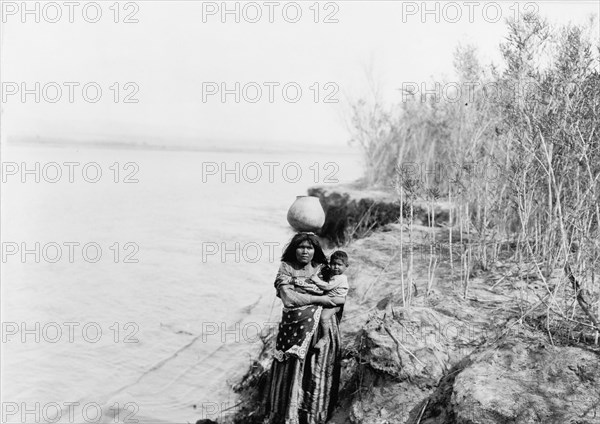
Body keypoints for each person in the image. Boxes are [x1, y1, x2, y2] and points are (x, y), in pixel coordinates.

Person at [264, 232, 346, 424]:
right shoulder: (286, 268)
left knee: (316, 371)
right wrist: (319, 298)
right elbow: (288, 298)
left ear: (315, 250)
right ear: (294, 249)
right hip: (294, 332)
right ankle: (289, 416)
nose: (305, 251)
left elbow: (340, 291)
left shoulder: (323, 268)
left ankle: (313, 417)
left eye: (309, 248)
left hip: (321, 332)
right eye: (301, 247)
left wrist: (324, 299)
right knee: (292, 372)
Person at [309, 251, 349, 350]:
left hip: (335, 302)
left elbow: (327, 286)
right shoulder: (334, 275)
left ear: (346, 266)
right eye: (333, 264)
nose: (336, 267)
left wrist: (315, 280)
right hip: (333, 299)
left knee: (323, 317)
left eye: (339, 265)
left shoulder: (341, 277)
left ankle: (325, 337)